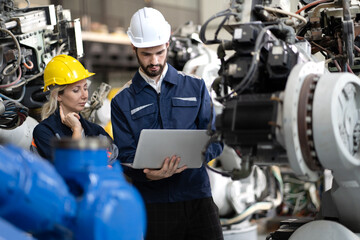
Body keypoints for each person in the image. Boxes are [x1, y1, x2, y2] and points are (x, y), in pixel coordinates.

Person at [111, 7, 224, 240]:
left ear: (168, 43)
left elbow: (216, 138)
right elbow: (124, 155)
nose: (154, 61)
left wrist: (197, 155)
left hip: (197, 196)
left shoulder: (195, 87)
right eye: (146, 54)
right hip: (154, 203)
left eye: (159, 53)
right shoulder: (122, 101)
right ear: (134, 48)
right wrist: (147, 174)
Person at [32, 54, 117, 162]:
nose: (85, 95)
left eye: (85, 88)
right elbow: (68, 168)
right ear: (58, 95)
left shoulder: (96, 131)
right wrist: (77, 130)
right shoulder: (45, 132)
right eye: (76, 90)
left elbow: (113, 163)